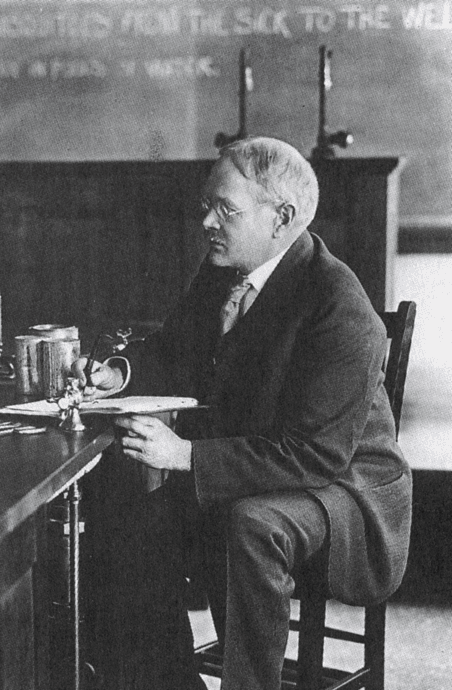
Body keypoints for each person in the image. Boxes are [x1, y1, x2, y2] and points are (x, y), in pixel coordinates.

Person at [77, 137, 412, 690]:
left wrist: (184, 455)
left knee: (251, 523)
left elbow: (316, 454)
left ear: (282, 218)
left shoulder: (338, 304)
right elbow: (173, 354)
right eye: (207, 205)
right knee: (123, 499)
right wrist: (118, 375)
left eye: (225, 210)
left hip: (347, 488)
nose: (207, 221)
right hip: (261, 465)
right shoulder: (224, 270)